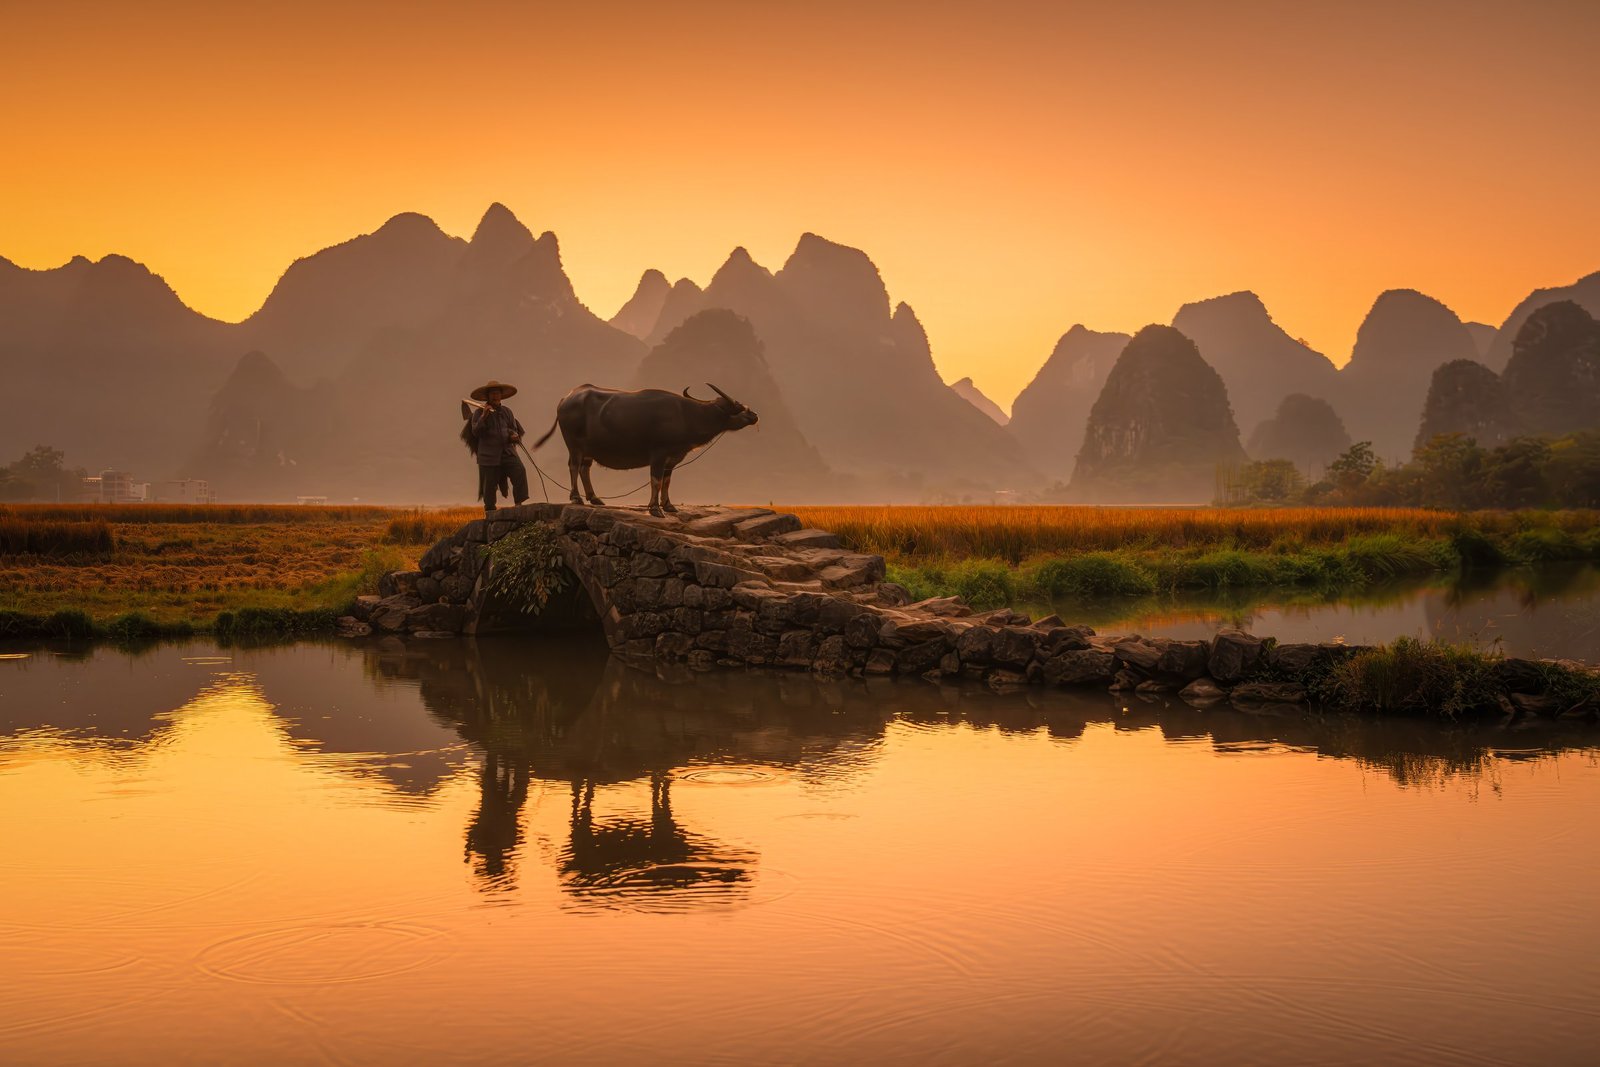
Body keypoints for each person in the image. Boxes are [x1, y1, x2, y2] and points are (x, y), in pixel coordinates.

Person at [466, 379, 530, 512]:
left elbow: (513, 429)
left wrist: (513, 436)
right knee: (489, 486)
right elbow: (476, 432)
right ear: (488, 396)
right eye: (492, 393)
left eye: (497, 393)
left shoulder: (507, 412)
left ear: (501, 395)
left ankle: (519, 505)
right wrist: (484, 416)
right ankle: (490, 512)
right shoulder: (479, 413)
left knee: (520, 471)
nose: (495, 396)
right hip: (488, 456)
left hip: (507, 452)